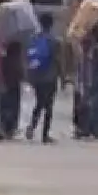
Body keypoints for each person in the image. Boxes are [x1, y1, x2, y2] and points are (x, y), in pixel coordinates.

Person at [23, 13, 61, 143]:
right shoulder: (53, 41)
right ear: (51, 24)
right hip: (50, 77)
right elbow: (57, 60)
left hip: (37, 77)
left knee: (39, 103)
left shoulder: (34, 39)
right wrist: (62, 77)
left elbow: (29, 57)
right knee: (49, 106)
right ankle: (45, 134)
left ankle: (32, 126)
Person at [0, 33, 26, 136]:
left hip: (4, 85)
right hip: (14, 86)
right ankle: (11, 128)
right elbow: (21, 74)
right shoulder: (17, 61)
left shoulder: (4, 59)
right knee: (14, 107)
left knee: (4, 106)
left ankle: (4, 126)